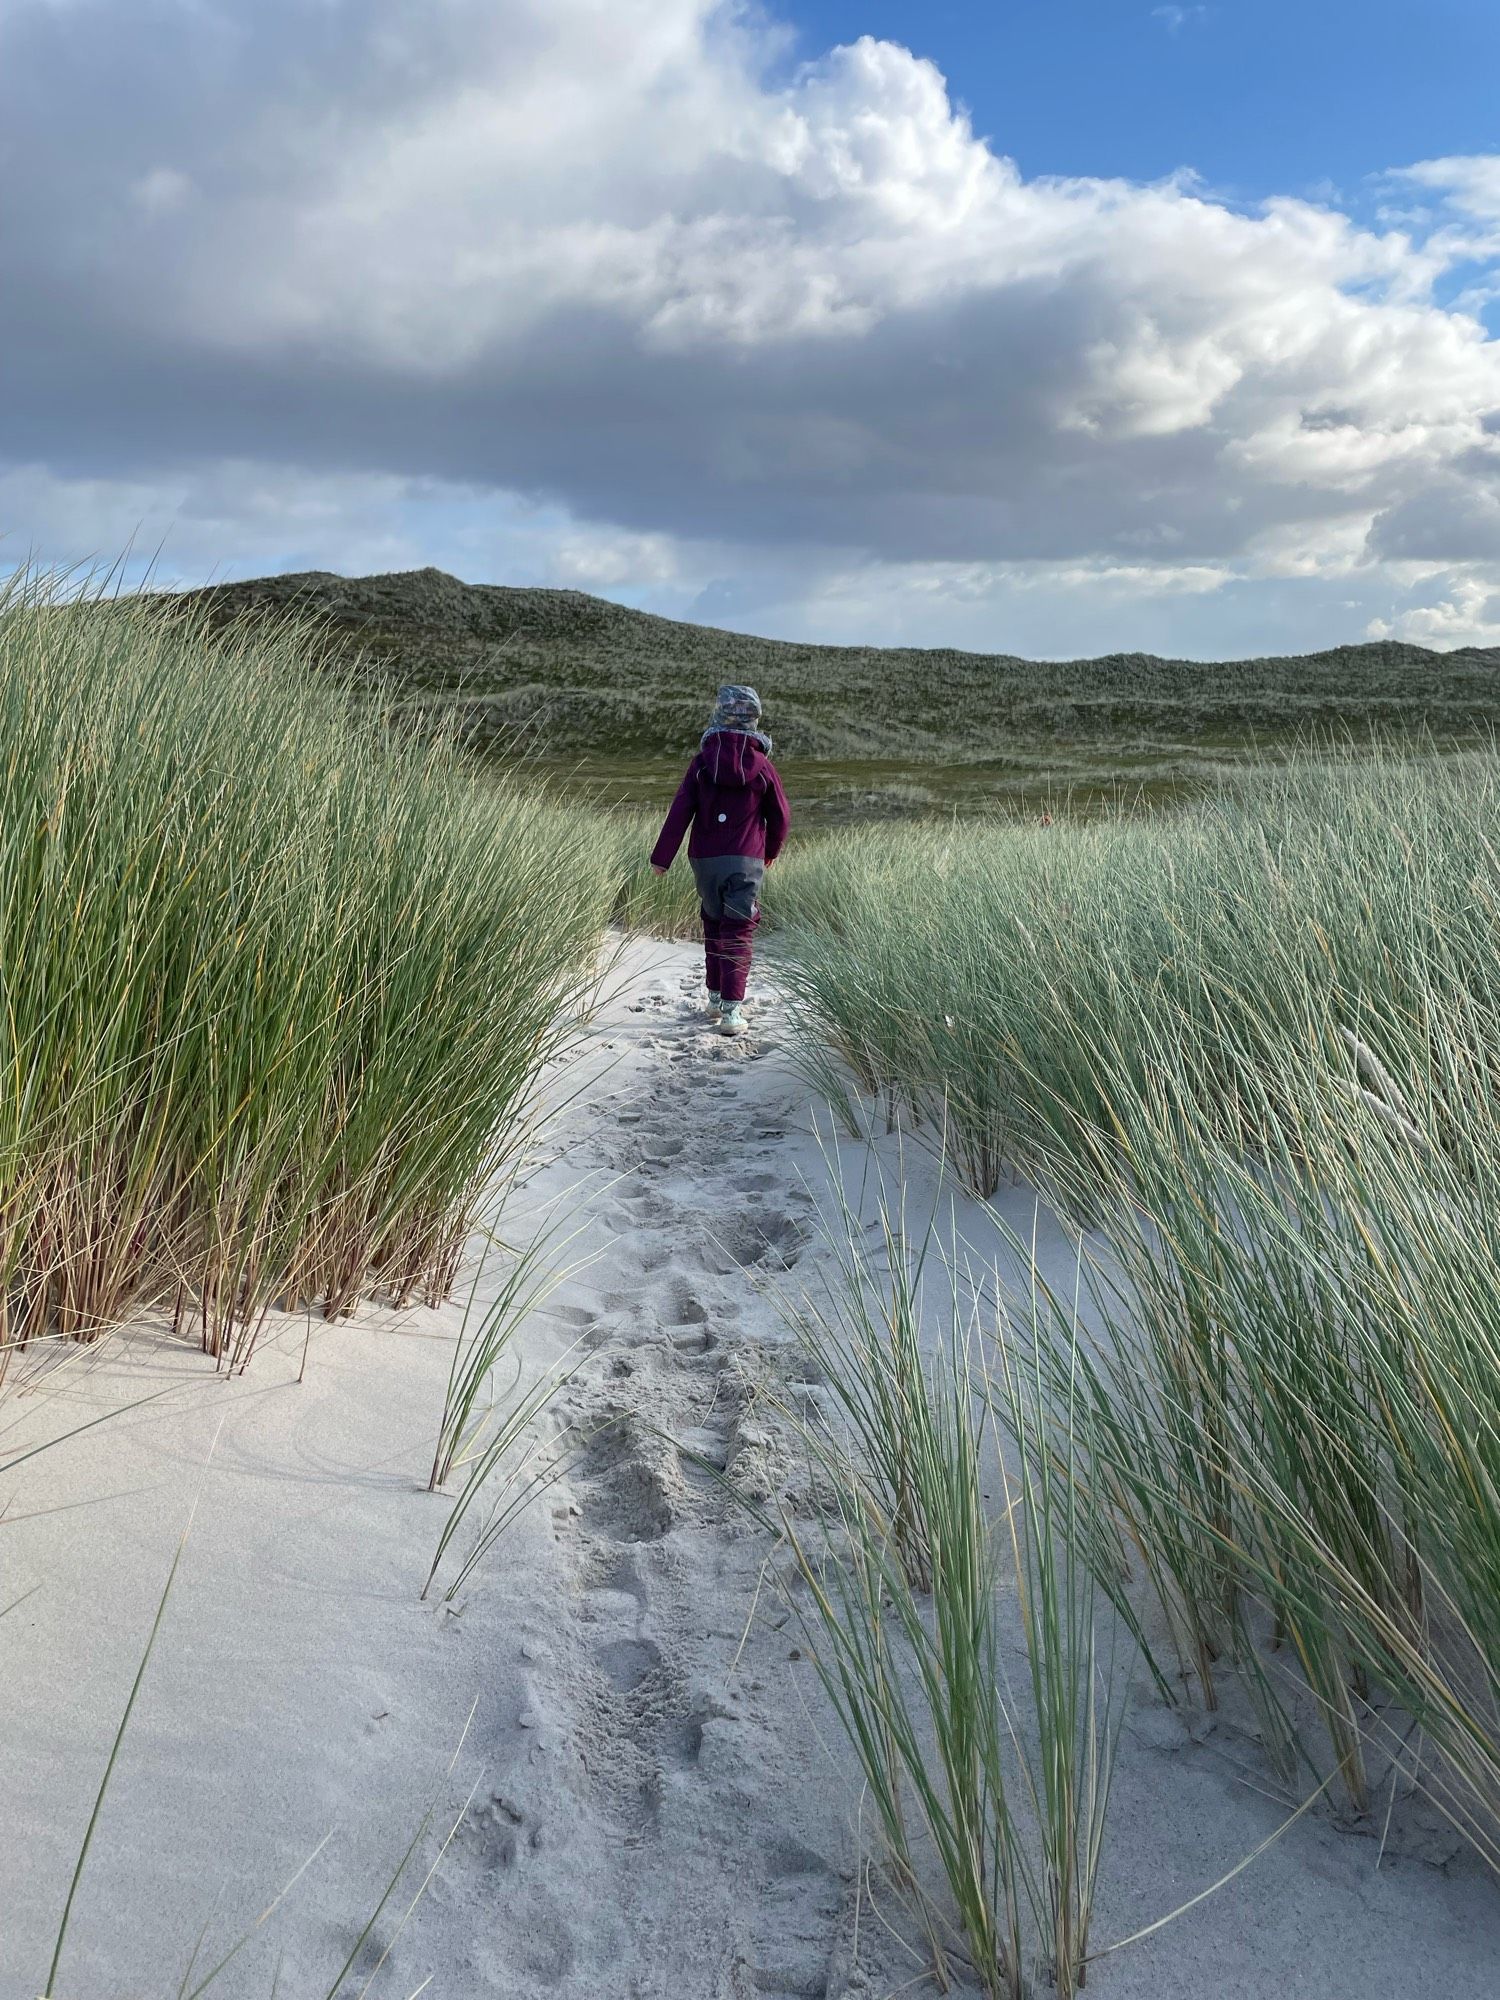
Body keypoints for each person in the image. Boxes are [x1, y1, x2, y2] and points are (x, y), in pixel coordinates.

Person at [650, 683, 790, 1037]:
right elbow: (781, 816)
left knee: (713, 922)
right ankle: (731, 1011)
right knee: (739, 929)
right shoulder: (763, 766)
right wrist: (770, 850)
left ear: (718, 715)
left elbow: (680, 811)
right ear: (754, 720)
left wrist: (661, 858)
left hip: (705, 859)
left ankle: (714, 997)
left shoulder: (701, 763)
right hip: (746, 860)